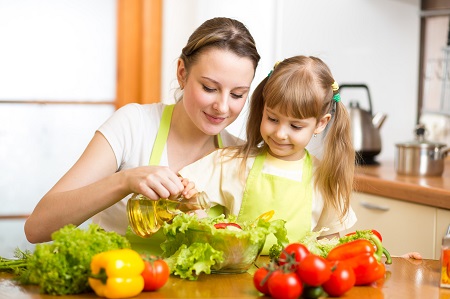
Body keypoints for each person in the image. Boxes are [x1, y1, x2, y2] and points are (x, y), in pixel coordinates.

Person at [24, 17, 261, 246]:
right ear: (182, 73)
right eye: (209, 88)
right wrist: (125, 181)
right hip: (114, 282)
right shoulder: (134, 125)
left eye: (237, 94)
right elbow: (37, 228)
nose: (222, 106)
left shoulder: (239, 157)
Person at [179, 55, 357, 253]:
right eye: (272, 119)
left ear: (321, 123)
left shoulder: (325, 178)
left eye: (295, 126)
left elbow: (329, 241)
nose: (280, 134)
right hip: (237, 278)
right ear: (263, 109)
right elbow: (186, 190)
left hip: (294, 280)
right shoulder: (232, 162)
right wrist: (189, 196)